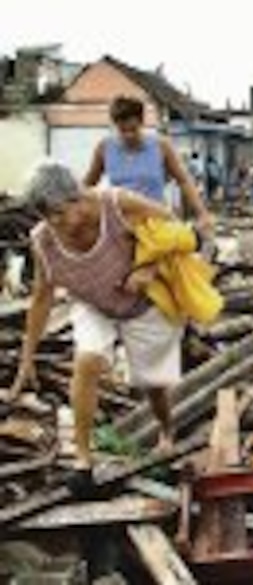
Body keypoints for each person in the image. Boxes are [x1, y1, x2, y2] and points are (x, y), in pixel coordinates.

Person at [12, 162, 186, 474]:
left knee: (153, 385)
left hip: (142, 302)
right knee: (87, 360)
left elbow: (176, 229)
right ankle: (82, 454)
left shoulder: (117, 204)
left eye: (60, 213)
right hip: (93, 304)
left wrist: (148, 269)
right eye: (46, 216)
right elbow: (42, 297)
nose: (55, 223)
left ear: (76, 197)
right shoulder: (44, 240)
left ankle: (166, 429)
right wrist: (27, 357)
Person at [84, 96, 213, 231]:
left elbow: (184, 181)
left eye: (133, 129)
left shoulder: (161, 146)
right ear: (115, 126)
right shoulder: (104, 148)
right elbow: (88, 184)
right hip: (122, 226)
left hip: (155, 224)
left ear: (142, 122)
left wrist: (202, 214)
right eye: (122, 131)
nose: (128, 136)